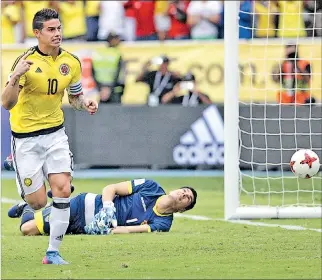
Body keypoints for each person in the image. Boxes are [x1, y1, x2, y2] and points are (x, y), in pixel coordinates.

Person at [1, 8, 98, 265]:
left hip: (55, 133)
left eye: (59, 29)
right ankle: (27, 199)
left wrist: (84, 103)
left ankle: (53, 252)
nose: (57, 34)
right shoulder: (25, 62)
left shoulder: (72, 62)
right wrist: (16, 76)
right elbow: (7, 103)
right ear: (37, 33)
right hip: (26, 139)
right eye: (51, 30)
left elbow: (74, 98)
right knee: (38, 202)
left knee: (63, 189)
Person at [8, 179, 198, 236]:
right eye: (184, 190)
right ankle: (27, 206)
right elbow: (111, 188)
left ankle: (56, 200)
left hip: (86, 228)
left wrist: (107, 230)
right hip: (84, 206)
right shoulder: (151, 187)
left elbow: (131, 229)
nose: (183, 194)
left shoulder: (164, 223)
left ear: (182, 209)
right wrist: (108, 208)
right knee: (27, 230)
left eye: (187, 198)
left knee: (34, 231)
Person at [92, 32, 125, 103]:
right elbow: (119, 73)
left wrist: (100, 87)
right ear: (111, 40)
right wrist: (110, 88)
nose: (119, 41)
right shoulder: (117, 54)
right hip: (115, 89)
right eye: (117, 39)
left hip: (102, 89)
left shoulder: (99, 53)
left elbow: (93, 72)